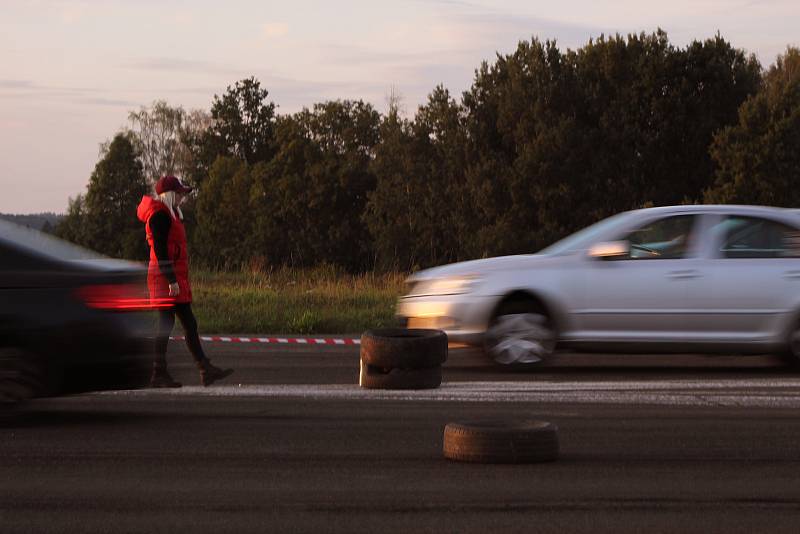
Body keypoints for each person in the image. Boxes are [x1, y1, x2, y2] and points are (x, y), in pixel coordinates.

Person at [136, 176, 233, 388]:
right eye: (179, 193)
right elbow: (160, 251)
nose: (182, 197)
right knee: (167, 324)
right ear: (170, 195)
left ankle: (204, 368)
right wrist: (171, 279)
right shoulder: (159, 216)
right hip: (165, 277)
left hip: (173, 276)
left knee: (188, 323)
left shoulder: (171, 215)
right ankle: (160, 373)